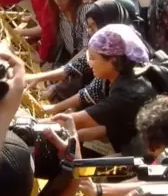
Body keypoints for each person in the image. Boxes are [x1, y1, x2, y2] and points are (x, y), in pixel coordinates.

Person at [58, 24, 156, 156]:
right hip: (130, 143)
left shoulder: (128, 93)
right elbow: (108, 128)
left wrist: (32, 123)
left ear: (112, 59)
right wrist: (77, 136)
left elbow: (73, 120)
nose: (90, 63)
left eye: (93, 58)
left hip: (141, 156)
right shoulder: (122, 77)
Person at [47, 0, 93, 64]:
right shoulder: (60, 13)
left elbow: (87, 50)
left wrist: (65, 71)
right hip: (72, 62)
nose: (57, 1)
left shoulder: (86, 12)